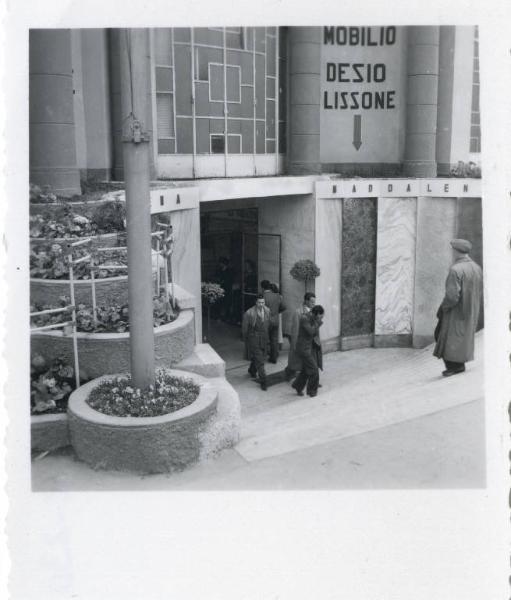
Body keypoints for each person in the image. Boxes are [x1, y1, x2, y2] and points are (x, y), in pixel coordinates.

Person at [433, 238, 483, 377]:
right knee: (462, 337)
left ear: (456, 251)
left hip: (455, 310)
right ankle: (458, 365)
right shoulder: (476, 267)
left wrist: (444, 308)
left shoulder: (455, 270)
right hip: (470, 309)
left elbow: (452, 297)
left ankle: (454, 367)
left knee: (443, 335)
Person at [292, 305, 324, 397]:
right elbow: (311, 331)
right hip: (303, 349)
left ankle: (297, 386)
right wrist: (318, 322)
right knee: (314, 369)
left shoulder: (312, 317)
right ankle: (312, 391)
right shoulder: (304, 318)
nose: (320, 317)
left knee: (306, 370)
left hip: (308, 348)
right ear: (316, 314)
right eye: (320, 315)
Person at [242, 294, 271, 391]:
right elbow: (245, 329)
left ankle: (252, 370)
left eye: (263, 302)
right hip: (254, 338)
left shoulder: (267, 310)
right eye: (259, 302)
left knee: (258, 357)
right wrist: (247, 340)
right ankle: (264, 381)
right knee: (260, 360)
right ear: (256, 302)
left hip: (264, 338)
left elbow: (268, 324)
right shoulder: (249, 313)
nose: (261, 304)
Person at [284, 292, 316, 381]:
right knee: (295, 361)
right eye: (312, 302)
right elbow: (295, 330)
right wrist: (294, 344)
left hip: (311, 342)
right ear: (306, 301)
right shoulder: (298, 312)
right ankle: (289, 372)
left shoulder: (314, 312)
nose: (314, 304)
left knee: (310, 362)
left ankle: (313, 379)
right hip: (301, 342)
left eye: (314, 302)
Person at [261, 280, 286, 363]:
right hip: (275, 320)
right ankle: (274, 358)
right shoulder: (277, 296)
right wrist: (276, 312)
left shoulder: (262, 296)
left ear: (262, 287)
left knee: (263, 339)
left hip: (265, 321)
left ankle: (262, 357)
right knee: (274, 340)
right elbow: (284, 307)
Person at [214, 256, 234, 321]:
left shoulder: (230, 271)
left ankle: (226, 316)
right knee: (220, 303)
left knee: (227, 302)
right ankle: (220, 316)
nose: (220, 264)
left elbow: (229, 280)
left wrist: (223, 281)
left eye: (221, 263)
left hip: (227, 289)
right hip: (219, 289)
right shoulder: (219, 271)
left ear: (224, 263)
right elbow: (216, 278)